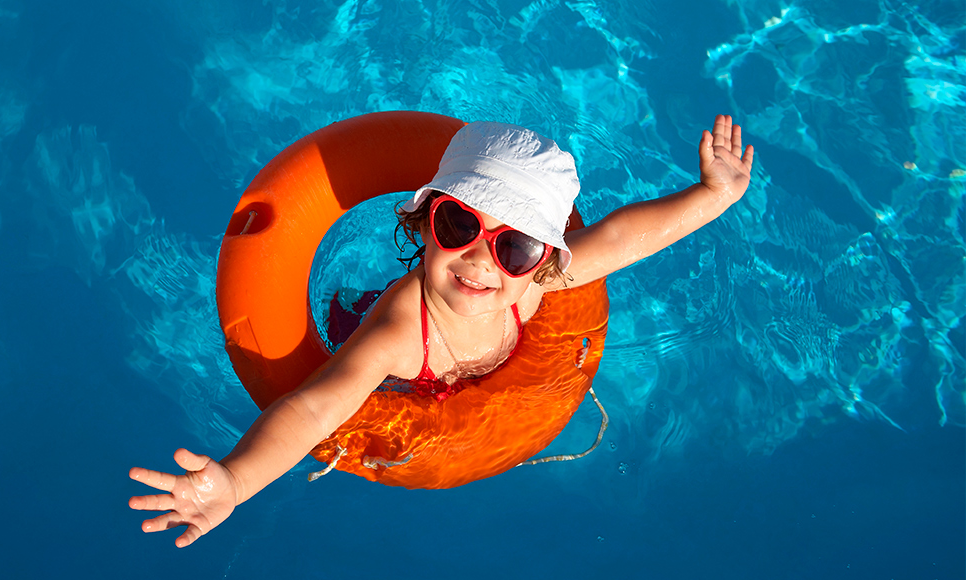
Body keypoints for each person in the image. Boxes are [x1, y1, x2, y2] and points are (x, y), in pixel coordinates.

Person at [129, 114, 755, 547]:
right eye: (459, 225)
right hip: (406, 376)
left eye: (515, 245)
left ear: (546, 258)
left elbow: (621, 239)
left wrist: (713, 196)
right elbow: (316, 408)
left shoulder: (538, 287)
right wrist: (236, 480)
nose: (483, 259)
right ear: (423, 221)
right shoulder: (401, 330)